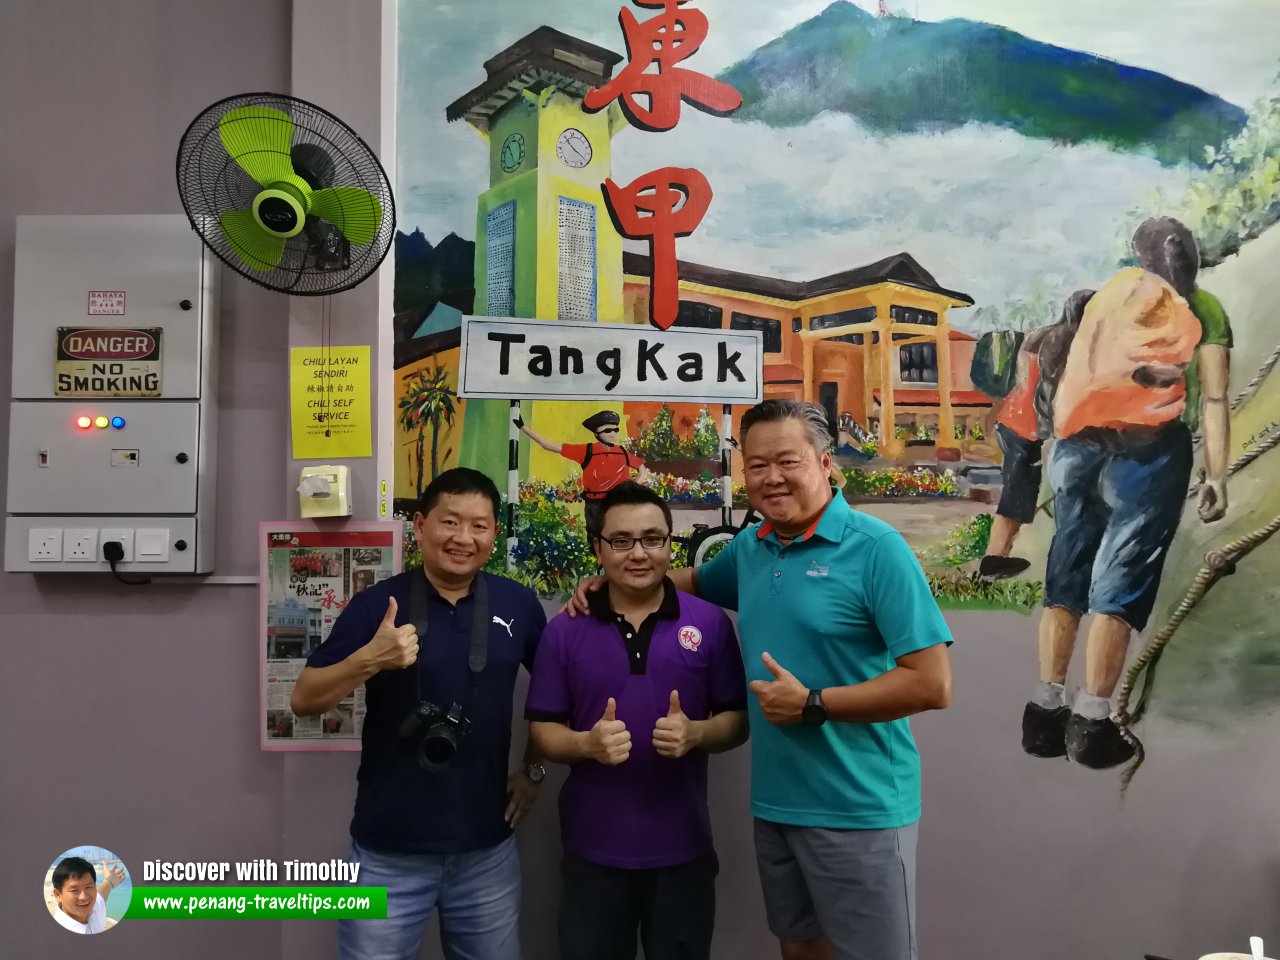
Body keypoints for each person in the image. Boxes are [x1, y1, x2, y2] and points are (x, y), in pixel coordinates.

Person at [570, 399, 953, 960]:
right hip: (776, 806)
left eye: (788, 460)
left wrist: (815, 703)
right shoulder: (752, 549)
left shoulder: (878, 550)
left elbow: (932, 684)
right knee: (799, 950)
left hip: (859, 809)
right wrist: (608, 582)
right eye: (757, 464)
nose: (771, 477)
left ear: (825, 462)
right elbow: (691, 579)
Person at [292, 467, 548, 960]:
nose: (463, 538)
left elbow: (555, 696)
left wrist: (534, 769)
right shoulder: (376, 606)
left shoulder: (518, 604)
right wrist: (370, 659)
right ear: (421, 527)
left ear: (495, 532)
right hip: (386, 851)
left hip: (486, 850)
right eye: (450, 522)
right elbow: (304, 699)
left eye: (479, 525)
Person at [1023, 216, 1231, 768]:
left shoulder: (1108, 298)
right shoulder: (1202, 311)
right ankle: (1092, 724)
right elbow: (1213, 400)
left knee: (1066, 573)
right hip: (1149, 454)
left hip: (1075, 449)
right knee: (1120, 579)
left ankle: (1044, 715)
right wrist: (1216, 475)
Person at [526, 480, 748, 960]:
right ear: (598, 549)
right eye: (621, 541)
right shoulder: (565, 629)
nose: (639, 553)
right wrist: (587, 746)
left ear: (671, 544)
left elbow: (737, 721)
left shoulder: (709, 624)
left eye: (653, 539)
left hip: (684, 851)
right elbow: (542, 732)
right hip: (592, 853)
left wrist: (697, 733)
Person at [980, 289, 1094, 580]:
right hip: (1027, 431)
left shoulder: (1038, 335)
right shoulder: (1070, 343)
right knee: (1016, 499)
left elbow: (1021, 383)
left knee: (1023, 495)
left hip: (1010, 423)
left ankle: (997, 557)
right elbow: (1049, 395)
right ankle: (994, 559)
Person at [516, 409, 649, 536]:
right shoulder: (587, 450)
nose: (613, 433)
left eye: (616, 429)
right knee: (595, 540)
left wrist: (632, 489)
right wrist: (523, 427)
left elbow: (643, 471)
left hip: (618, 504)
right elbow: (548, 445)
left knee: (618, 537)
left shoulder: (622, 452)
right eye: (608, 430)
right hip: (594, 505)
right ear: (597, 433)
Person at [51, 856, 124, 934]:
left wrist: (109, 881)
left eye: (88, 887)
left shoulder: (94, 909)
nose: (84, 897)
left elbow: (101, 894)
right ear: (58, 895)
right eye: (74, 890)